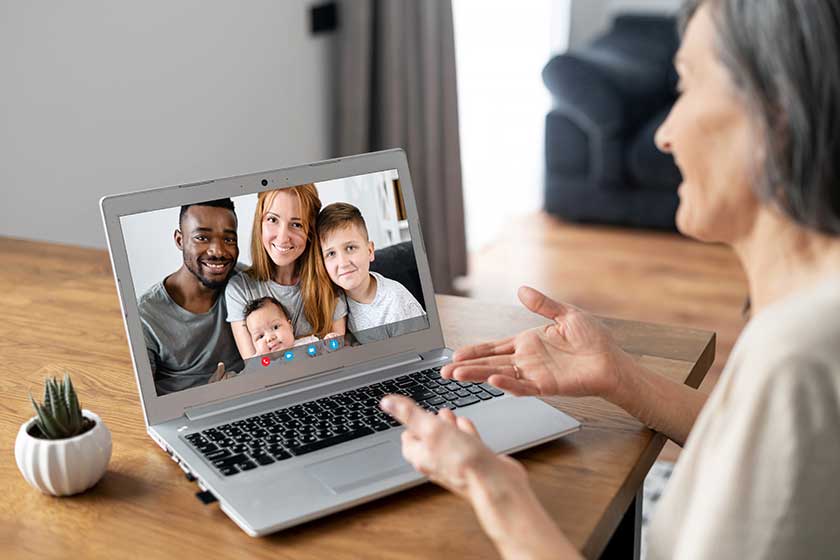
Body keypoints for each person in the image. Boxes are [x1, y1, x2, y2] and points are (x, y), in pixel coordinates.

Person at [380, 1, 840, 558]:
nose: (665, 134)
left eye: (687, 86)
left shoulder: (797, 354)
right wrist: (619, 376)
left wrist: (492, 488)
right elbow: (757, 452)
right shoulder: (811, 321)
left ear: (778, 114)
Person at [225, 184, 347, 359]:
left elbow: (338, 359)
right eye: (272, 219)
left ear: (310, 231)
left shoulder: (330, 283)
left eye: (296, 224)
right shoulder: (240, 290)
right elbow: (257, 367)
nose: (282, 238)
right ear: (260, 222)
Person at [138, 199, 244, 395]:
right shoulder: (145, 316)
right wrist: (207, 396)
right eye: (202, 238)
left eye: (229, 240)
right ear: (180, 240)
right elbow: (142, 399)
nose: (218, 251)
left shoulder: (245, 284)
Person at [317, 202, 426, 344]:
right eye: (331, 253)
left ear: (370, 251)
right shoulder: (338, 299)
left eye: (350, 248)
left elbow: (420, 350)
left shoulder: (396, 304)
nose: (343, 263)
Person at [243, 296, 319, 356]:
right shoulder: (257, 364)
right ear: (254, 345)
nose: (270, 338)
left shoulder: (308, 344)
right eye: (261, 336)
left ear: (290, 327)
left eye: (275, 327)